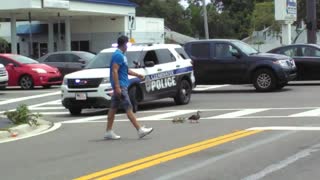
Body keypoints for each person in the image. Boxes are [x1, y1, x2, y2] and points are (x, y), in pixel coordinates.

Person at [104, 35, 153, 140]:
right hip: (121, 86)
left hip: (122, 85)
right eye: (128, 44)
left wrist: (138, 75)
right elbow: (115, 70)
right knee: (128, 107)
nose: (128, 46)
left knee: (113, 108)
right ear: (125, 44)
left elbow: (126, 70)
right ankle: (140, 130)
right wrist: (117, 87)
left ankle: (108, 131)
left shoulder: (122, 56)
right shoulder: (118, 55)